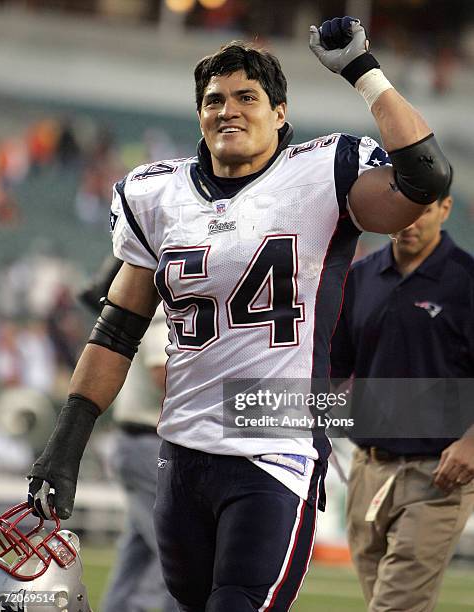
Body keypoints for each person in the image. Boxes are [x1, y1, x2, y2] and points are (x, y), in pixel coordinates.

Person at [27, 16, 451, 612]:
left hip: (273, 453)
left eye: (247, 97)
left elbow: (426, 177)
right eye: (214, 100)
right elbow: (117, 329)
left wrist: (362, 71)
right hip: (181, 455)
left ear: (279, 112)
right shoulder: (157, 196)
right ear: (199, 115)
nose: (228, 110)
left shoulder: (323, 174)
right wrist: (65, 443)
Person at [330, 172, 474, 612]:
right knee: (386, 601)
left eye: (423, 210)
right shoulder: (359, 278)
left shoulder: (467, 282)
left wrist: (472, 442)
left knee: (394, 606)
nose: (409, 222)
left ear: (445, 209)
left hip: (440, 473)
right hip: (367, 468)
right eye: (402, 211)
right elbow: (335, 369)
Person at [79, 255, 178, 612]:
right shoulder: (162, 309)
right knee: (178, 557)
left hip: (140, 441)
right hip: (148, 443)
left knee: (138, 552)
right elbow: (161, 372)